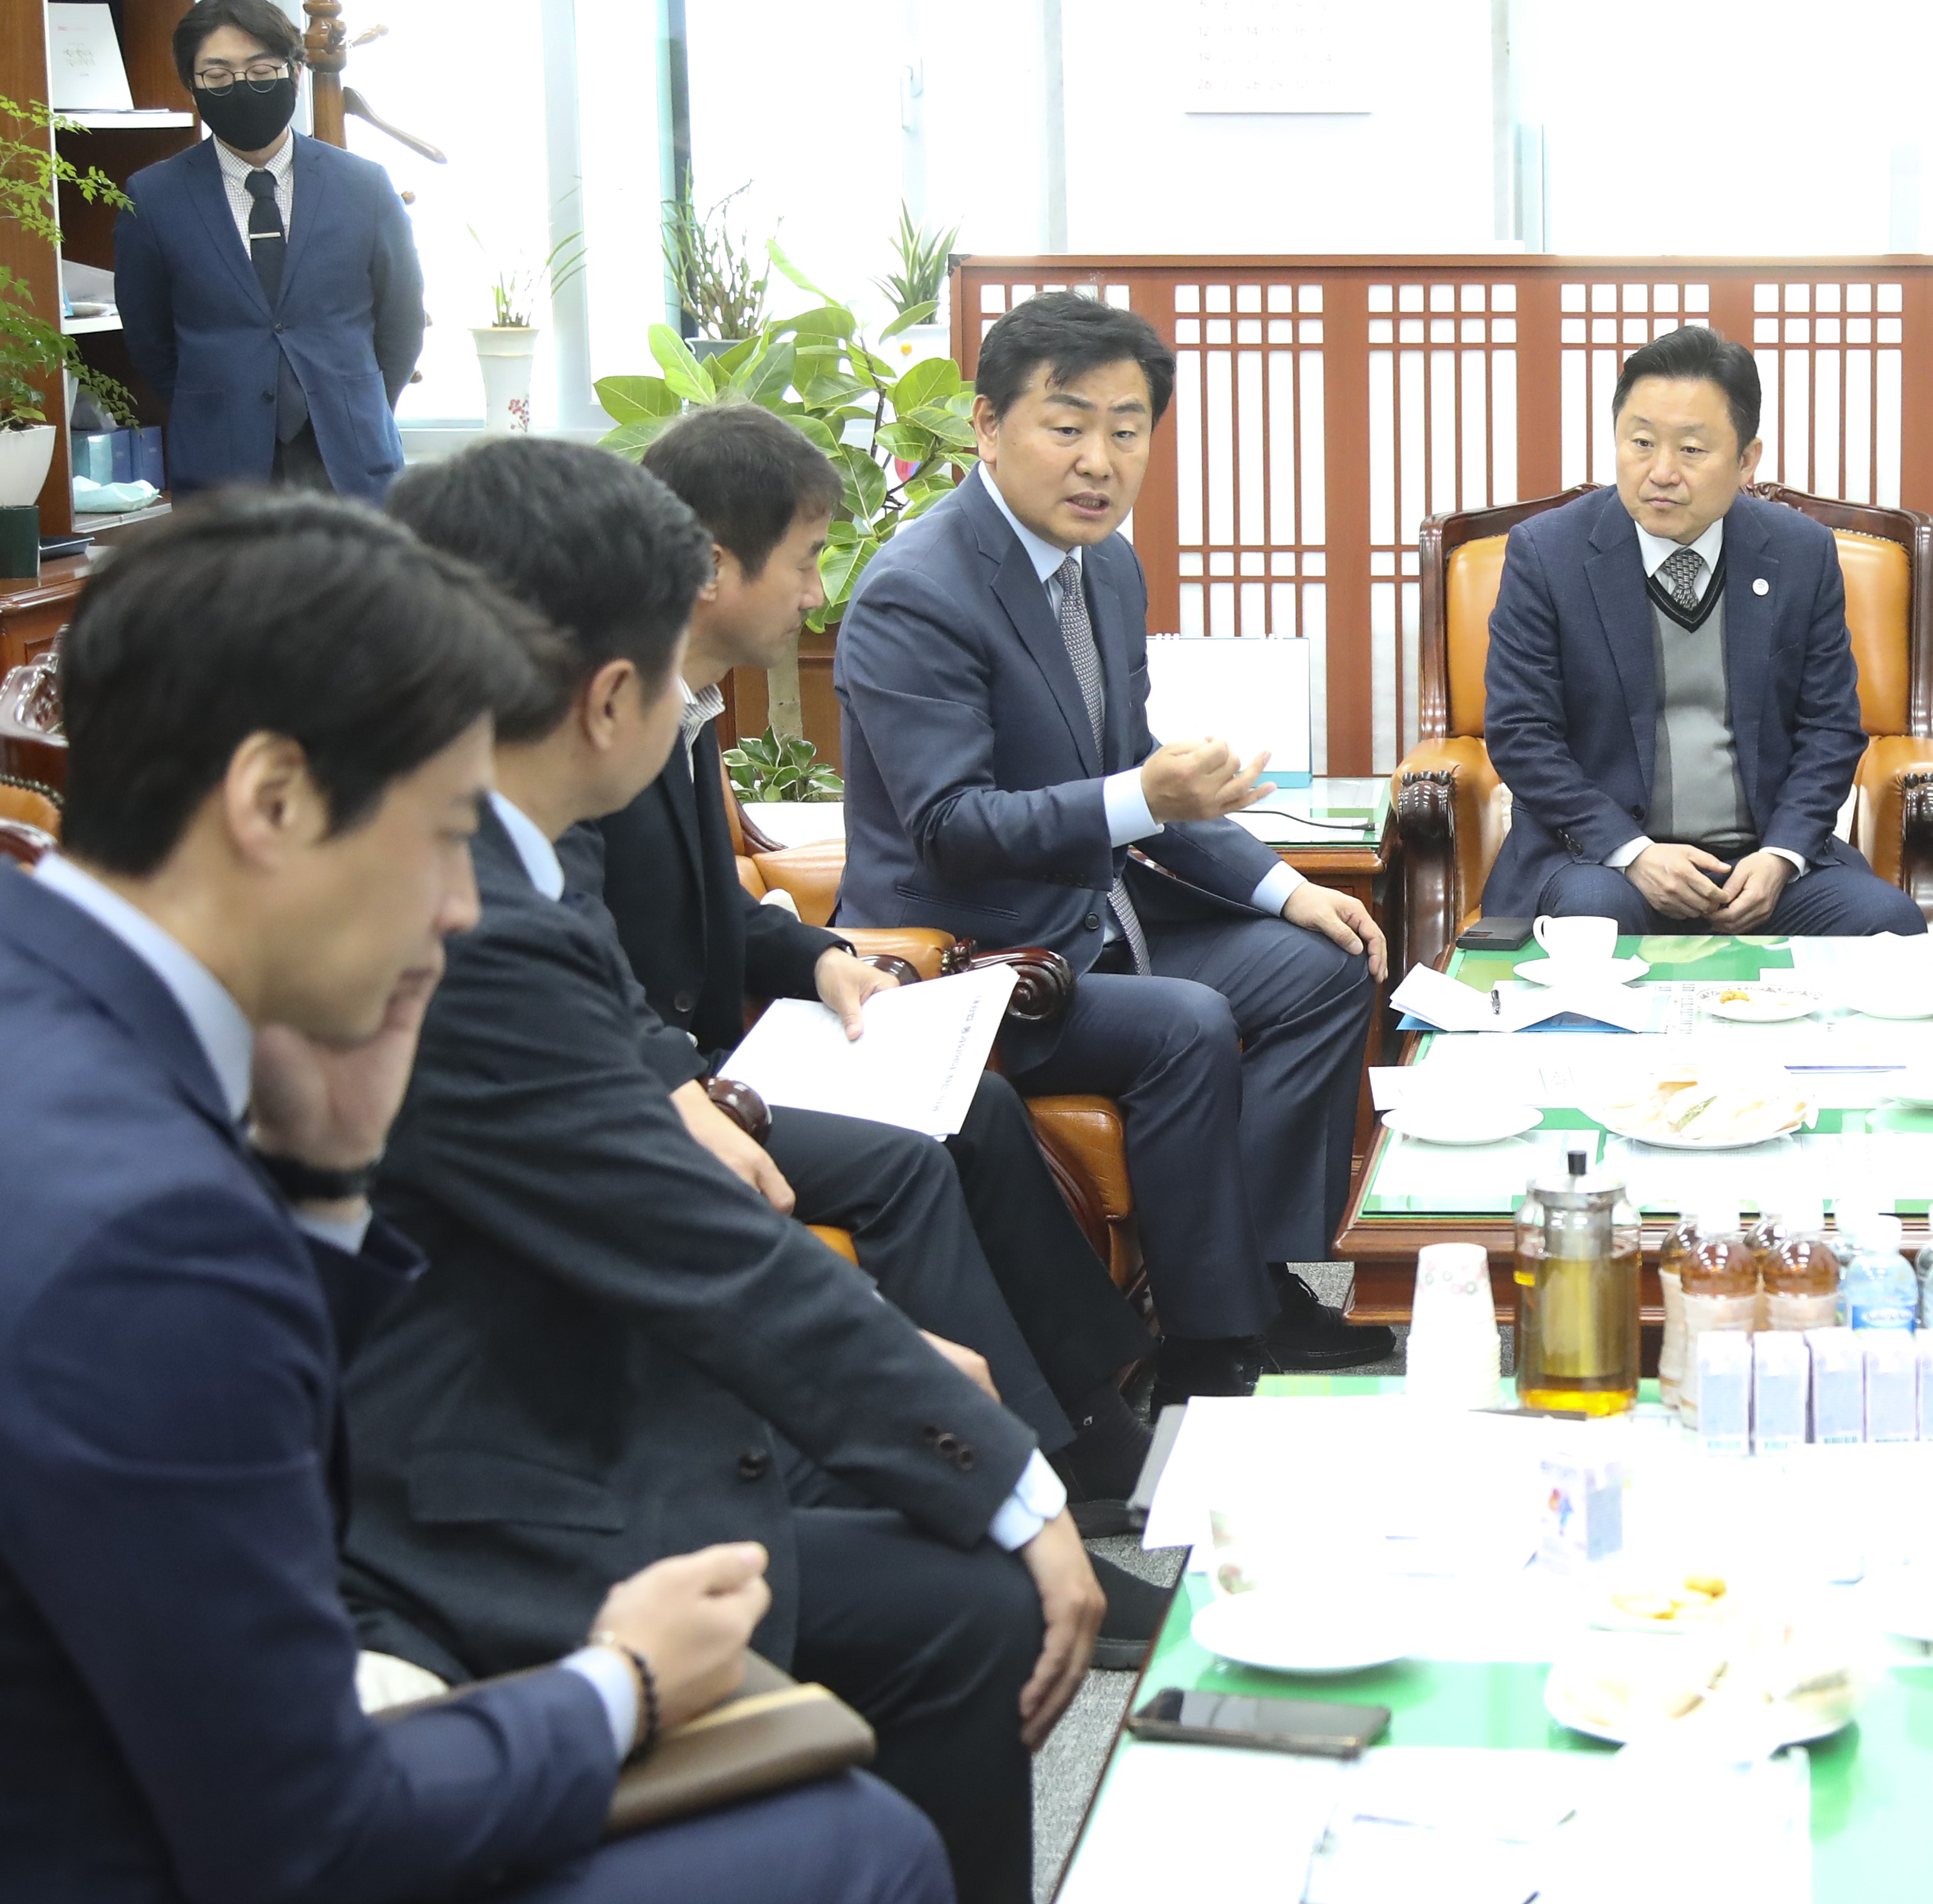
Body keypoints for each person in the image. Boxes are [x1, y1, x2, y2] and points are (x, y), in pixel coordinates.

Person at [0, 492, 950, 1903]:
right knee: (861, 1846)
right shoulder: (147, 1228)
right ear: (272, 801)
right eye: (449, 832)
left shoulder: (52, 990)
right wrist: (618, 1681)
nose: (460, 906)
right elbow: (304, 1833)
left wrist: (326, 1186)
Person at [344, 439, 1148, 1904]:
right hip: (490, 1485)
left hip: (570, 1386)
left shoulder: (499, 851)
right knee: (969, 1593)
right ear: (607, 700)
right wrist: (1007, 1485)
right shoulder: (474, 913)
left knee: (939, 1537)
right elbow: (693, 1248)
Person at [565, 402, 1158, 1504]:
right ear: (707, 566)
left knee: (974, 1108)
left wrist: (819, 955)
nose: (811, 593)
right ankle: (1010, 1479)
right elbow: (570, 958)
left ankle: (1092, 1418)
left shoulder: (685, 706)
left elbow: (715, 909)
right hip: (651, 1091)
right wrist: (673, 1082)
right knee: (901, 1164)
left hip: (717, 1063)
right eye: (802, 562)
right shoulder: (596, 723)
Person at [834, 290, 1391, 1401]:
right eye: (1067, 424)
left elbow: (1133, 767)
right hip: (969, 957)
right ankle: (1208, 1342)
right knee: (1184, 1023)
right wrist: (1140, 793)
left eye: (1127, 430)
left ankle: (1257, 1276)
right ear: (988, 426)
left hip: (1087, 923)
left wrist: (1283, 888)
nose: (1099, 460)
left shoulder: (1107, 565)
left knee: (1326, 961)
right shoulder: (918, 589)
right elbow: (952, 824)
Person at [1475, 324, 1928, 940]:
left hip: (1758, 862)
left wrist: (1781, 856)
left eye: (1691, 450)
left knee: (1888, 923)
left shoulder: (1800, 554)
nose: (1660, 471)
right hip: (1598, 859)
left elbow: (1828, 728)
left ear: (1746, 459)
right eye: (1640, 442)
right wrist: (1631, 851)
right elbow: (1521, 733)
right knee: (1594, 920)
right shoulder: (1546, 554)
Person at [112, 1, 424, 501]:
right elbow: (150, 340)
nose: (241, 85)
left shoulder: (364, 186)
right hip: (221, 468)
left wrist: (356, 403)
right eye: (217, 75)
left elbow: (401, 323)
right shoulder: (153, 198)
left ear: (295, 72)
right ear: (192, 86)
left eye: (261, 70)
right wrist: (212, 407)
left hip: (352, 461)